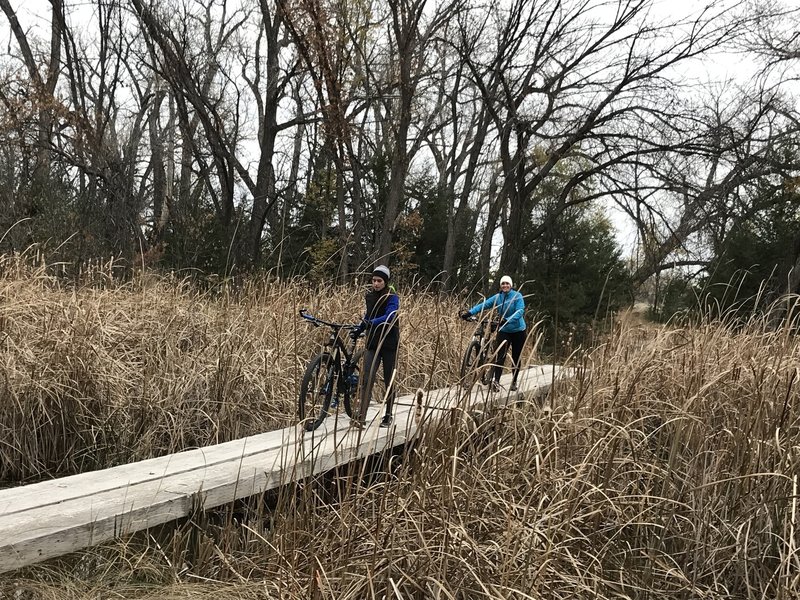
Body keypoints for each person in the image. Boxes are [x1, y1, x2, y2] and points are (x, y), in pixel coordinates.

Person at [350, 265, 400, 428]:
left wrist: (373, 322)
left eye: (379, 281)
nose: (376, 284)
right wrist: (359, 329)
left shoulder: (392, 297)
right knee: (367, 378)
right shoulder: (369, 296)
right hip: (372, 342)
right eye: (374, 280)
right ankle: (361, 416)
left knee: (388, 379)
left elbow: (390, 316)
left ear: (385, 282)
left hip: (389, 343)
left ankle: (388, 414)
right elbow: (368, 316)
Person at [460, 275, 527, 392]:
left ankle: (514, 381)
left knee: (516, 356)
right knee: (500, 355)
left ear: (511, 285)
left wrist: (507, 319)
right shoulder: (498, 297)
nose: (505, 285)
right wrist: (469, 312)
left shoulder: (517, 296)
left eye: (507, 283)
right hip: (504, 330)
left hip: (518, 331)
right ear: (501, 286)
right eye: (503, 284)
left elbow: (520, 311)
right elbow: (484, 305)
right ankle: (496, 381)